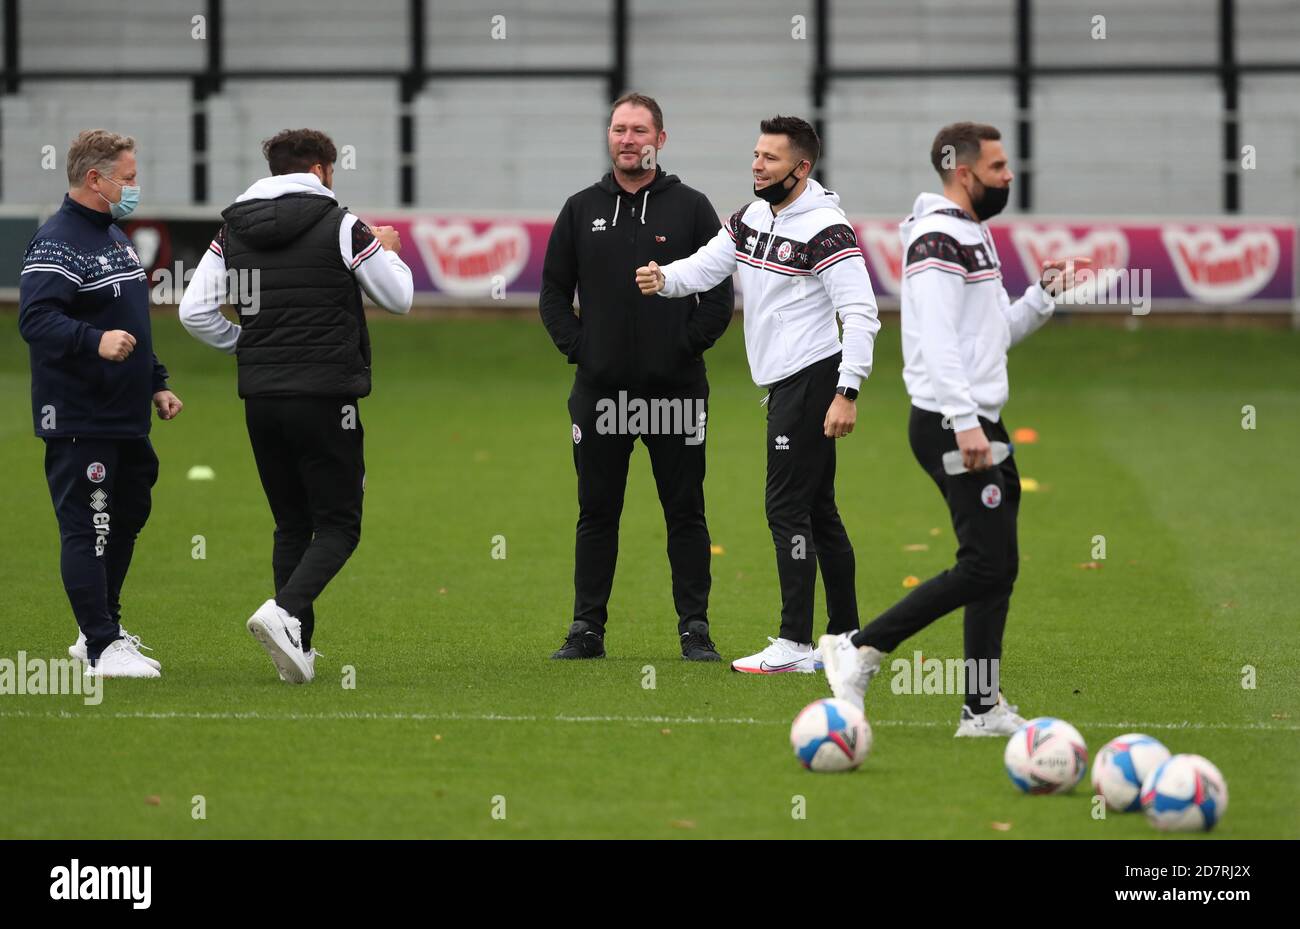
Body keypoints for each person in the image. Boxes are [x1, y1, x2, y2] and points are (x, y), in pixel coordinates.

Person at [819, 122, 1088, 735]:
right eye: (998, 167)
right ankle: (859, 649)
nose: (1009, 176)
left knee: (997, 562)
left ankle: (982, 706)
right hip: (951, 422)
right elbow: (935, 339)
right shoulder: (939, 238)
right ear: (963, 173)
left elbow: (992, 336)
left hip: (976, 420)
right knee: (986, 564)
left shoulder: (972, 235)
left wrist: (1043, 296)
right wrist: (966, 424)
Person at [636, 115, 880, 674]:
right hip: (787, 381)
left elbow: (861, 313)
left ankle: (795, 644)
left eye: (769, 159)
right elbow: (708, 266)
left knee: (786, 509)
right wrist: (664, 278)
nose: (756, 165)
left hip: (812, 378)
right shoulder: (751, 217)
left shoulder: (827, 228)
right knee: (819, 512)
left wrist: (848, 390)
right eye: (755, 155)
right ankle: (849, 641)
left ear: (801, 168)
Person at [178, 128, 413, 684]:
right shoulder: (343, 226)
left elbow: (193, 312)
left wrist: (251, 348)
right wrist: (387, 252)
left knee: (290, 523)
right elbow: (398, 298)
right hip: (327, 397)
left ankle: (297, 651)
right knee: (338, 526)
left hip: (262, 398)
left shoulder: (232, 228)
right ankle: (283, 613)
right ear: (323, 169)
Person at [540, 92, 734, 661]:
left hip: (675, 393)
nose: (628, 139)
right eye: (619, 129)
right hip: (600, 394)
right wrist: (582, 349)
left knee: (685, 511)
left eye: (639, 130)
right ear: (609, 136)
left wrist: (682, 346)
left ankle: (694, 630)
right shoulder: (580, 208)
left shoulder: (692, 208)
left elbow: (719, 295)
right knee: (597, 512)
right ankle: (586, 630)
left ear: (660, 140)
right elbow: (553, 291)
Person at [19, 129, 183, 679]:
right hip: (78, 415)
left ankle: (101, 627)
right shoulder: (57, 240)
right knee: (90, 525)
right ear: (96, 179)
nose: (135, 187)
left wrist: (156, 380)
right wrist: (94, 341)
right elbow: (35, 319)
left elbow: (133, 321)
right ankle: (100, 644)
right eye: (129, 178)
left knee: (127, 515)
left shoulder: (114, 234)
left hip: (125, 414)